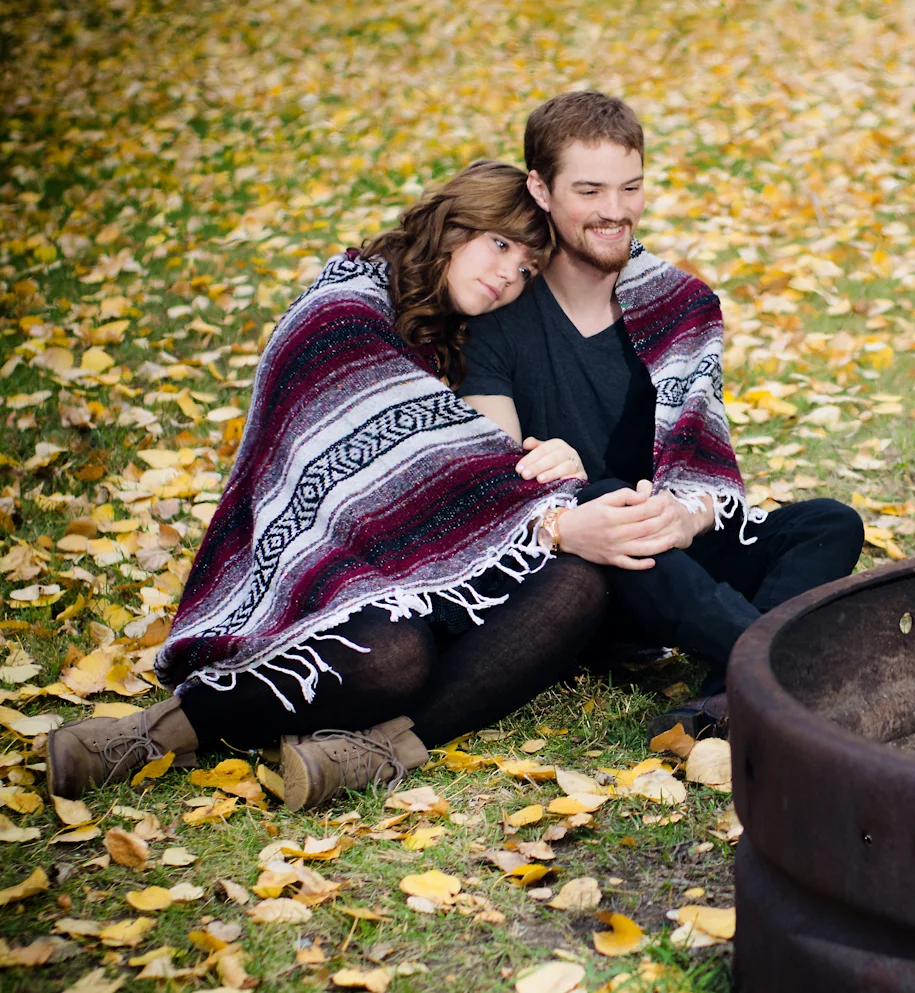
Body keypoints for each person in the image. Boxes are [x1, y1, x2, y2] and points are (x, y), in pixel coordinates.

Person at [47, 161, 607, 810]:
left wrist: (548, 457)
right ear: (453, 225)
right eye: (501, 243)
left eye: (528, 268)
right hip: (314, 566)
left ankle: (376, 752)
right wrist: (539, 514)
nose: (510, 272)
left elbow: (481, 456)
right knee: (391, 658)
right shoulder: (343, 309)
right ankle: (157, 732)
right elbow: (429, 457)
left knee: (580, 584)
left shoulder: (465, 332)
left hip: (425, 566)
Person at [461, 92, 865, 740]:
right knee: (608, 496)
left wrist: (687, 515)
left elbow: (703, 468)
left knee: (828, 522)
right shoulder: (499, 316)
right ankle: (783, 676)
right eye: (589, 190)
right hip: (578, 572)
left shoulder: (681, 304)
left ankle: (720, 703)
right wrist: (586, 514)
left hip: (671, 556)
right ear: (540, 188)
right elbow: (500, 490)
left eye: (631, 187)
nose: (614, 211)